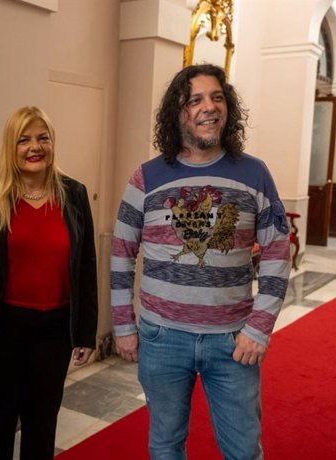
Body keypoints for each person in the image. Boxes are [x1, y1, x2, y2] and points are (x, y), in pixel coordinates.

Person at [111, 64, 291, 459]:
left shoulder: (254, 173)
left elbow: (278, 252)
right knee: (165, 446)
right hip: (162, 337)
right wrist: (124, 325)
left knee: (243, 450)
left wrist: (259, 328)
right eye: (195, 100)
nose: (209, 107)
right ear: (178, 114)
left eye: (217, 97)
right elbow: (121, 253)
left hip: (232, 341)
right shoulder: (147, 178)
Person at [0, 106, 98, 460]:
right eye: (24, 139)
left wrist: (85, 332)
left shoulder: (74, 195)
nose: (34, 147)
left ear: (52, 143)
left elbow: (85, 266)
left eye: (42, 138)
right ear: (11, 145)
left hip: (53, 334)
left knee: (42, 425)